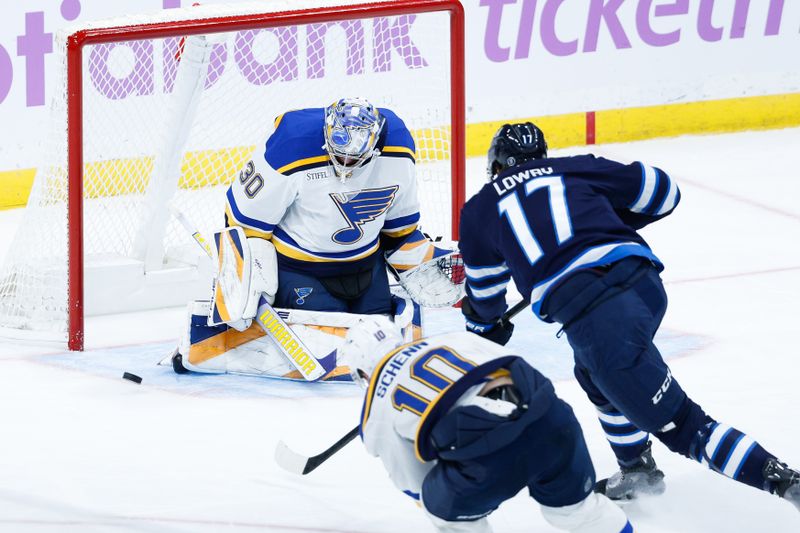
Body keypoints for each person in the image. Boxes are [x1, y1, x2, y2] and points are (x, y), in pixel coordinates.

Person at [456, 122, 800, 508]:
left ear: (495, 166)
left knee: (685, 427)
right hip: (643, 284)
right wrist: (607, 219)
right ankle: (636, 468)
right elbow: (663, 190)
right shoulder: (573, 167)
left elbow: (486, 301)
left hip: (597, 315)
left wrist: (484, 322)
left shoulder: (479, 210)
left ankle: (787, 483)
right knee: (590, 373)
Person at [169, 98, 454, 379]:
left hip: (367, 267)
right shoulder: (292, 145)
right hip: (301, 271)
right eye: (338, 153)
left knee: (381, 344)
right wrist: (249, 280)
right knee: (333, 344)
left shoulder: (398, 148)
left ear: (375, 147)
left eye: (354, 157)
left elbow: (399, 226)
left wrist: (417, 257)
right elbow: (243, 220)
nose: (344, 162)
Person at [341, 316, 634, 533]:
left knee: (441, 511)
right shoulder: (452, 338)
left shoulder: (375, 411)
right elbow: (515, 362)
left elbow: (415, 482)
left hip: (488, 458)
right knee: (576, 511)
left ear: (362, 372)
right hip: (552, 418)